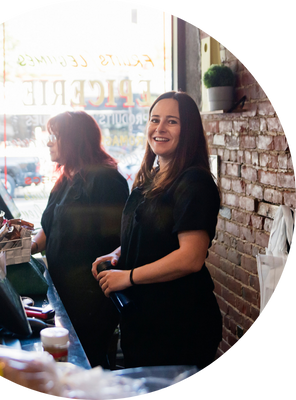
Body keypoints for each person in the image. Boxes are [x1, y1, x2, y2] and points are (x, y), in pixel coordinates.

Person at [92, 91, 223, 369]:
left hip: (178, 325)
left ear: (188, 130)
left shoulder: (194, 182)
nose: (159, 128)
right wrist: (118, 254)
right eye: (155, 119)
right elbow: (150, 232)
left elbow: (191, 257)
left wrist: (127, 276)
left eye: (172, 121)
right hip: (144, 321)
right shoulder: (151, 178)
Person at [31, 111, 129, 368]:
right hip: (64, 292)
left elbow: (121, 240)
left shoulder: (106, 180)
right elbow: (49, 227)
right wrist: (25, 247)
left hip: (91, 299)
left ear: (74, 139)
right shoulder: (65, 178)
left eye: (55, 136)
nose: (49, 142)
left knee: (86, 367)